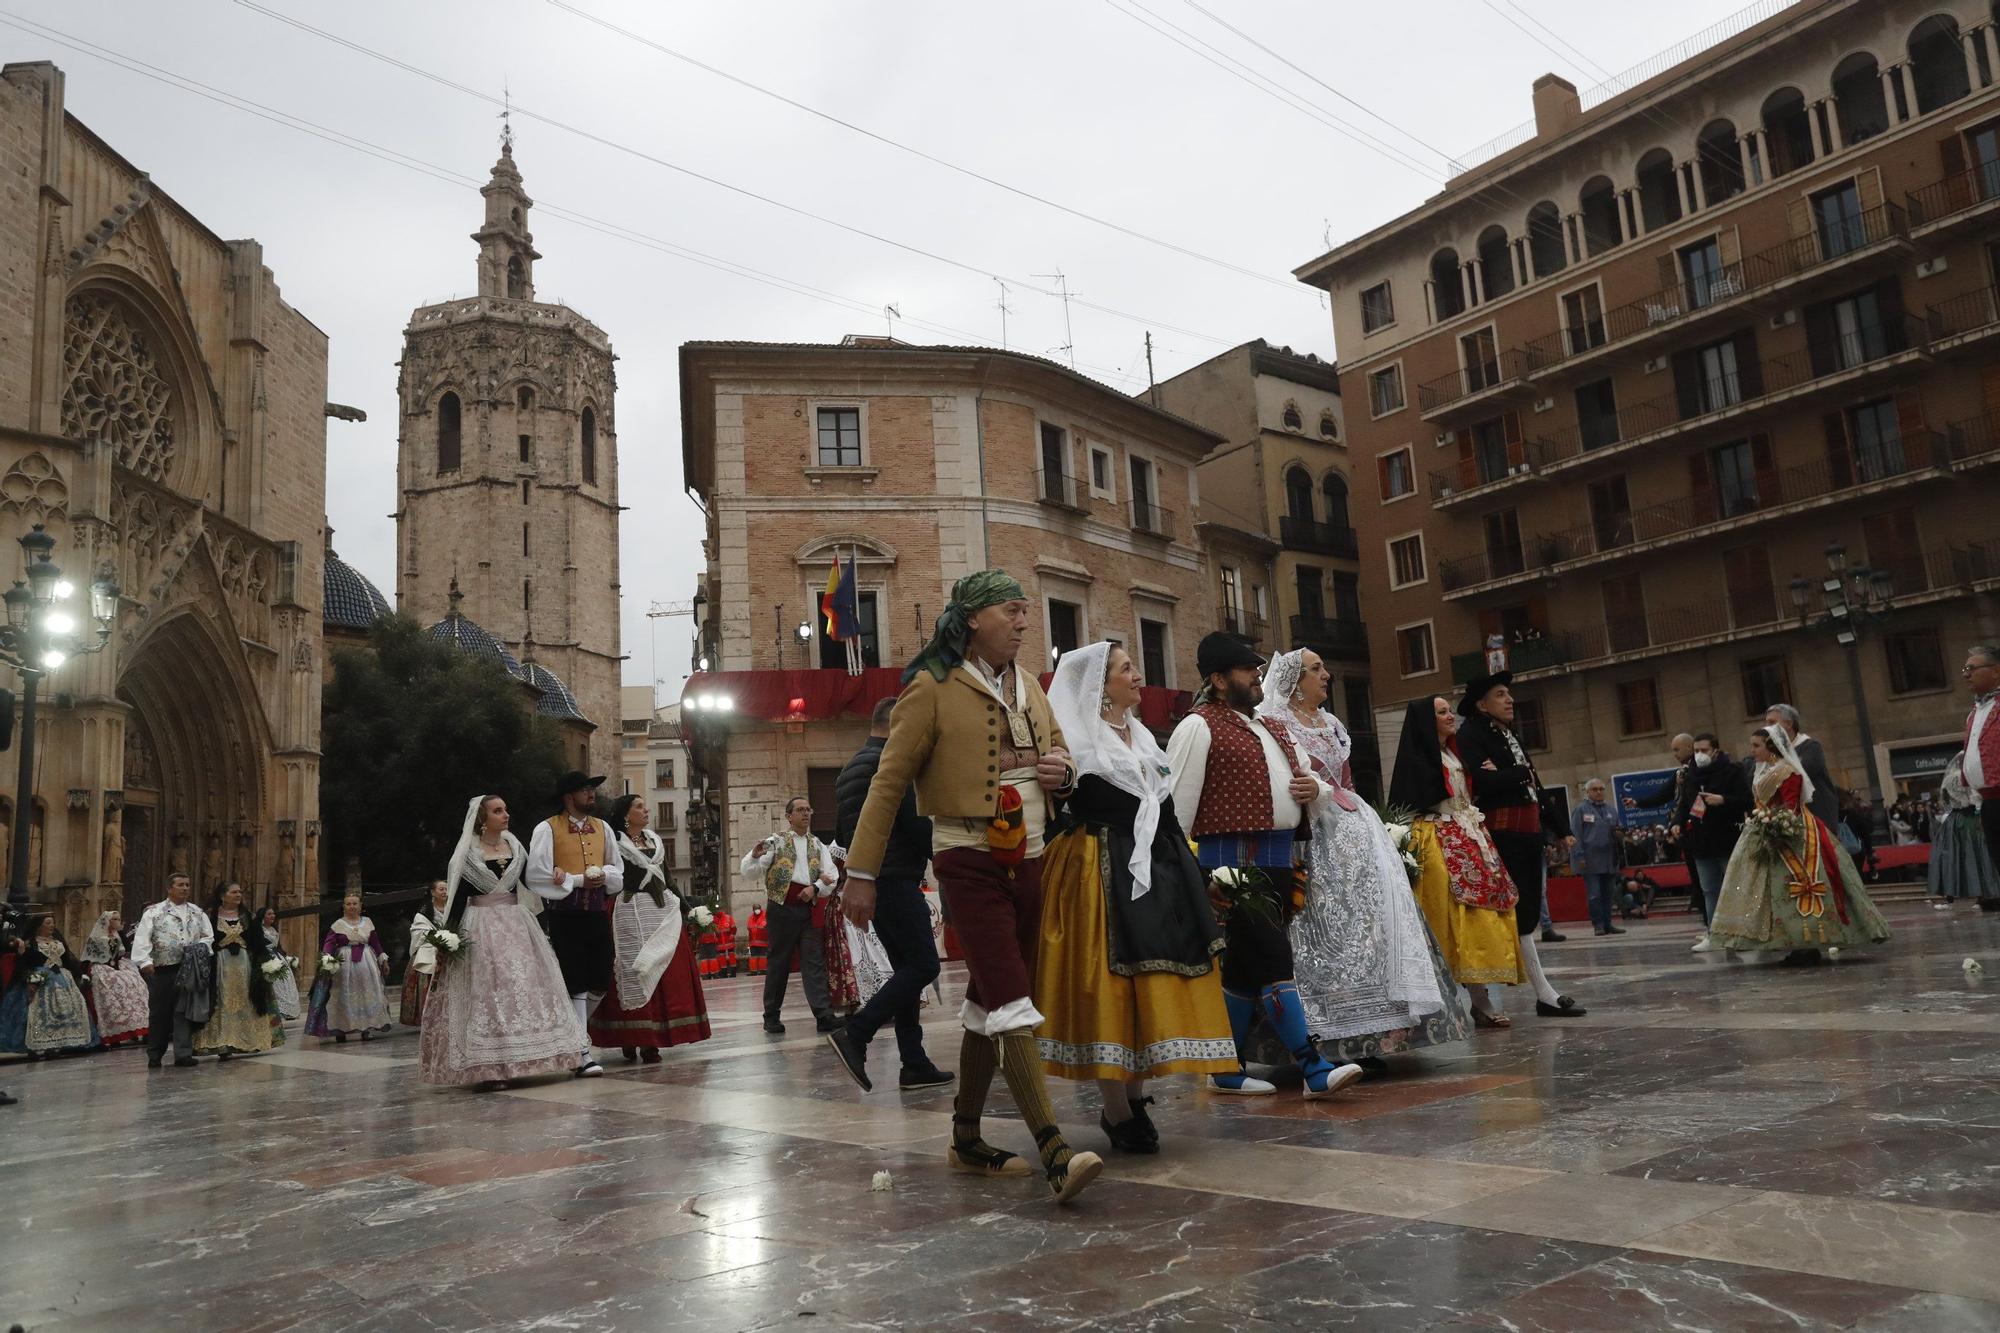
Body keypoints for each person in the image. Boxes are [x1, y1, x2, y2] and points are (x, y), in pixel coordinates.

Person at [843, 569, 1103, 1204]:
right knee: (1013, 999)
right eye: (1012, 611)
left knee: (991, 1001)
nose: (1023, 622)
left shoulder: (1030, 685)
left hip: (1034, 856)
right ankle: (1055, 1151)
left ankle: (964, 1139)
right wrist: (860, 872)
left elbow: (1063, 756)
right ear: (974, 618)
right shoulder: (930, 688)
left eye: (1023, 612)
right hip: (967, 855)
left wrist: (1060, 772)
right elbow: (887, 783)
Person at [1033, 642, 1236, 1154]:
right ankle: (1117, 1109)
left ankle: (1136, 1096)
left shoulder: (1144, 738)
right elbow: (1062, 801)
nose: (1139, 676)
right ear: (1100, 686)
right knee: (1112, 985)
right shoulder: (1076, 743)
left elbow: (1164, 814)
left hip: (1159, 870)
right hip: (1097, 869)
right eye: (1128, 669)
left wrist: (1198, 874)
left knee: (1153, 981)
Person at [1166, 633, 1365, 1100]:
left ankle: (1227, 1069)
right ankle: (1313, 1067)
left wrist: (1312, 791)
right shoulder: (1197, 727)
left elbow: (1312, 780)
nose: (1256, 675)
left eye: (1256, 668)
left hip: (1279, 861)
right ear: (1218, 680)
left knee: (1242, 970)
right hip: (1229, 868)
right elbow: (1175, 804)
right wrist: (1186, 875)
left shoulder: (1272, 727)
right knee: (1276, 960)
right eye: (1244, 669)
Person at [1260, 649, 1465, 1067]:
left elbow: (1347, 781)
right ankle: (1325, 1041)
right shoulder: (1277, 723)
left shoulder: (1333, 723)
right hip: (1310, 837)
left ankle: (1372, 1036)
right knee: (1323, 937)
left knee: (1372, 933)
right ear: (1295, 680)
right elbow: (1284, 782)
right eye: (1317, 669)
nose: (1327, 675)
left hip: (1357, 836)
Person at [421, 794, 593, 1088]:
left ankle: (539, 1056)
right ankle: (489, 1068)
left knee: (524, 986)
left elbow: (533, 880)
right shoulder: (467, 854)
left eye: (505, 809)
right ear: (482, 819)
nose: (505, 814)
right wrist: (446, 939)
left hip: (516, 923)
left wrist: (559, 873)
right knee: (487, 992)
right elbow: (458, 898)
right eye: (497, 811)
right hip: (480, 926)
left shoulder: (516, 847)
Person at [826, 696, 949, 1093]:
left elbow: (844, 837)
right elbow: (915, 826)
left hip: (871, 881)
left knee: (907, 971)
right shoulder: (892, 762)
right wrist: (946, 855)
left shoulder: (848, 771)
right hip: (896, 877)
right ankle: (856, 1033)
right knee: (925, 965)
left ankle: (913, 1062)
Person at [1454, 673, 1586, 1019]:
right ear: (1482, 703)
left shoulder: (1508, 733)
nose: (1509, 700)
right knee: (1508, 913)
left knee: (1527, 912)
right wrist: (1515, 773)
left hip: (1528, 836)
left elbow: (1535, 785)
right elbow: (1482, 781)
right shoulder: (1471, 734)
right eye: (1500, 694)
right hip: (1501, 838)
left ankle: (1541, 994)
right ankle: (1526, 994)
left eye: (1509, 694)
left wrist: (1560, 828)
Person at [1389, 697, 1524, 1027]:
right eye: (1443, 712)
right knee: (1451, 920)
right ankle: (1445, 1006)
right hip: (1437, 839)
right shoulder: (1420, 759)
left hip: (1470, 837)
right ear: (1426, 721)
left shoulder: (1453, 754)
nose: (1451, 716)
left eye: (1450, 710)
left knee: (1478, 917)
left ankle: (1481, 999)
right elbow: (1410, 799)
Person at [1711, 727, 1891, 962]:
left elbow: (1791, 806)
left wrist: (1776, 827)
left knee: (1797, 883)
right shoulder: (1763, 770)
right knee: (1769, 889)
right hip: (1764, 828)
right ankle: (1787, 941)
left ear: (1772, 747)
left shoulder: (1788, 772)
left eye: (1756, 745)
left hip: (1792, 831)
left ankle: (1808, 943)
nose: (1752, 750)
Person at [589, 794, 712, 1060]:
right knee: (632, 969)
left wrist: (687, 909)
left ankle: (650, 1042)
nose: (646, 811)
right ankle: (630, 1036)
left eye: (645, 806)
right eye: (639, 807)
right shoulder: (614, 844)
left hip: (661, 912)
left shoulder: (655, 842)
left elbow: (667, 879)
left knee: (662, 969)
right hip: (627, 911)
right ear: (625, 814)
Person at [528, 771, 621, 1078]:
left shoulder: (603, 828)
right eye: (585, 789)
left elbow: (617, 872)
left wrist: (601, 875)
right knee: (575, 978)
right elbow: (536, 876)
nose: (592, 793)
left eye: (592, 789)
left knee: (602, 974)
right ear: (569, 797)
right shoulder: (547, 828)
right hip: (564, 914)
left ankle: (570, 1034)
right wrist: (580, 879)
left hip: (596, 912)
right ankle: (581, 1051)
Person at [739, 797, 840, 1035]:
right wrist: (754, 856)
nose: (806, 813)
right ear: (789, 816)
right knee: (778, 963)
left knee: (813, 961)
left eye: (808, 809)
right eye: (800, 810)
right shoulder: (776, 842)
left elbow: (831, 875)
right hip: (781, 908)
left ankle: (824, 1014)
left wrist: (815, 887)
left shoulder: (818, 844)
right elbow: (749, 872)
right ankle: (771, 1016)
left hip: (808, 908)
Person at [1680, 733, 1753, 951]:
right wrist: (1677, 822)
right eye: (1696, 751)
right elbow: (1685, 803)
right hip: (1701, 841)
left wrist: (1723, 800)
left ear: (1715, 751)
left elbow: (1747, 800)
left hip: (1726, 837)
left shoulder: (1732, 771)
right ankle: (1714, 934)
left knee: (1735, 887)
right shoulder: (1692, 775)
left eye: (1704, 750)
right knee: (1709, 889)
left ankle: (1742, 933)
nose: (1699, 755)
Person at [132, 872, 213, 1067]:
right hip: (163, 967)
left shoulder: (197, 912)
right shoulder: (154, 912)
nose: (185, 888)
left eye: (187, 885)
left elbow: (207, 935)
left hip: (189, 966)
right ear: (170, 888)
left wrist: (200, 948)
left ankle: (183, 1052)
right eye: (180, 885)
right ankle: (155, 1053)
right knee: (160, 1011)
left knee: (184, 1009)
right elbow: (142, 937)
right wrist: (144, 961)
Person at [197, 882, 278, 1057]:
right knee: (222, 999)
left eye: (240, 892)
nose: (238, 894)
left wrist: (266, 962)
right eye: (234, 892)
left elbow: (257, 940)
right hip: (220, 964)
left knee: (245, 998)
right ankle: (223, 1041)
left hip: (243, 964)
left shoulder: (246, 916)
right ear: (222, 896)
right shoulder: (210, 916)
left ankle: (246, 1039)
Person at [0, 914, 95, 1056]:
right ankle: (38, 1046)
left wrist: (79, 974)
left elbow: (68, 961)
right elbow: (23, 963)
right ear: (39, 926)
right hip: (42, 980)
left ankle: (60, 1044)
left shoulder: (58, 943)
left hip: (63, 979)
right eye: (48, 923)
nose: (51, 926)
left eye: (52, 923)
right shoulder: (30, 943)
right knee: (39, 1012)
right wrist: (30, 979)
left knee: (67, 1010)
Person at [307, 893, 392, 1042]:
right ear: (343, 907)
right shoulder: (338, 925)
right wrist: (327, 959)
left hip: (367, 962)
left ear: (360, 906)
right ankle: (341, 1030)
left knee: (369, 994)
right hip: (344, 965)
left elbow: (375, 943)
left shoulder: (368, 922)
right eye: (348, 904)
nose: (352, 906)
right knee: (343, 995)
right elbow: (328, 944)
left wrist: (383, 960)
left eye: (355, 904)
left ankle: (367, 1028)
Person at [1930, 752, 1999, 908]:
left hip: (1953, 821)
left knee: (1953, 857)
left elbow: (1944, 802)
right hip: (1971, 817)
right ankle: (1983, 894)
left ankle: (1950, 896)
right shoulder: (1967, 777)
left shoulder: (1947, 780)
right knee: (1978, 855)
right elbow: (1976, 799)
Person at [1763, 704, 1841, 829]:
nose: (1766, 728)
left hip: (1816, 816)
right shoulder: (1770, 752)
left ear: (1789, 724)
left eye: (1771, 722)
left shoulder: (1810, 747)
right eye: (1766, 723)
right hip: (1786, 819)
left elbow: (1800, 773)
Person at [81, 910, 148, 1047]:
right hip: (102, 968)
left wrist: (121, 931)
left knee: (136, 984)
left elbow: (125, 948)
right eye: (115, 920)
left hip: (118, 966)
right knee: (112, 988)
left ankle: (139, 1027)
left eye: (118, 919)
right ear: (108, 922)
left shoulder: (117, 935)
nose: (119, 922)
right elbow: (90, 958)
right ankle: (113, 1033)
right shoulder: (97, 938)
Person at [1964, 644, 2000, 888]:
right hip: (1988, 802)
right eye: (1964, 669)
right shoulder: (1975, 711)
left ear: (1995, 671)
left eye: (1971, 668)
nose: (1966, 674)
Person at [1571, 779, 1623, 937]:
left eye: (1601, 789)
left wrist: (1619, 834)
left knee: (1608, 894)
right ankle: (1598, 925)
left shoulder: (1611, 810)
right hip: (1590, 859)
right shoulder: (1580, 810)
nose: (1599, 792)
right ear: (1587, 792)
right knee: (1594, 895)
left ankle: (1608, 924)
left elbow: (1618, 829)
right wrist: (1579, 856)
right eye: (1595, 789)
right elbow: (1576, 835)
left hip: (1609, 858)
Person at [401, 880, 451, 1027]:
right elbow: (419, 932)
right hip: (429, 949)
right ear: (433, 892)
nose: (444, 892)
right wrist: (438, 938)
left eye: (446, 889)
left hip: (450, 948)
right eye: (441, 889)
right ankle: (428, 1017)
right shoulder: (423, 914)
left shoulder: (452, 908)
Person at [259, 906, 302, 1021]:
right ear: (263, 917)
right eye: (269, 914)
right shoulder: (259, 930)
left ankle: (289, 1011)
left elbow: (278, 946)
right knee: (275, 985)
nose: (272, 916)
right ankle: (278, 1010)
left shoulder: (274, 929)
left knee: (286, 982)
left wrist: (287, 958)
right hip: (267, 959)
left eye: (273, 914)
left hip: (278, 958)